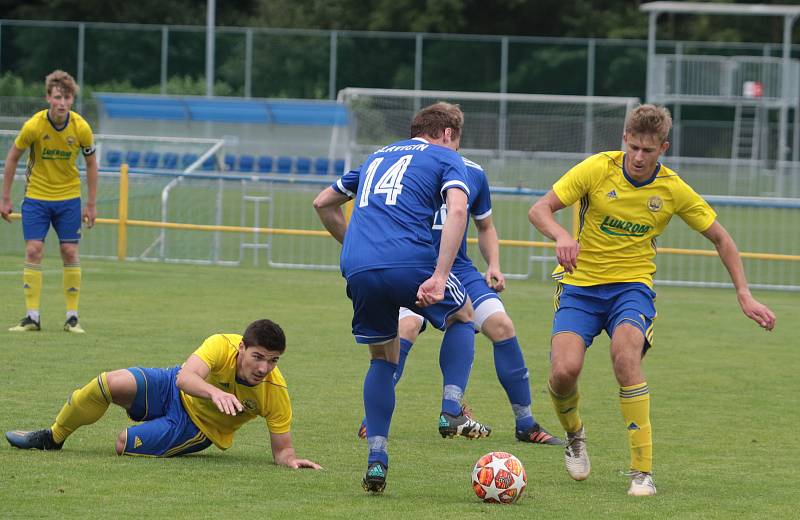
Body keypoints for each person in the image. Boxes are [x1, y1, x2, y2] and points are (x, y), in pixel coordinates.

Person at [528, 104, 776, 496]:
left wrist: (744, 294)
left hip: (632, 288)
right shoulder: (597, 168)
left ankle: (641, 472)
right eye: (635, 148)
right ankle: (575, 435)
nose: (640, 157)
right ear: (625, 139)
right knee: (563, 373)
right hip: (580, 287)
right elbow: (539, 208)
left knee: (626, 359)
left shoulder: (673, 189)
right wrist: (561, 235)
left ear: (664, 147)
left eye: (649, 150)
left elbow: (722, 239)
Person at [313, 102, 490, 493]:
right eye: (457, 140)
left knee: (383, 357)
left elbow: (323, 202)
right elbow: (458, 211)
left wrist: (354, 249)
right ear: (447, 134)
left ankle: (377, 459)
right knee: (464, 313)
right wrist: (441, 276)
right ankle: (451, 409)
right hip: (409, 261)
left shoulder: (376, 156)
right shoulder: (446, 156)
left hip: (359, 267)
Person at [352, 156, 561, 446]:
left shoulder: (473, 172)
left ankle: (526, 423)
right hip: (413, 266)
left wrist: (494, 265)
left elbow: (485, 226)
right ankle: (373, 419)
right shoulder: (409, 166)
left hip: (458, 269)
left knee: (502, 325)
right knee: (407, 327)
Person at [5, 319, 322, 469]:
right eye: (258, 357)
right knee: (106, 383)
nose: (264, 368)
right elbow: (185, 378)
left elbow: (283, 450)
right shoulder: (220, 344)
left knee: (122, 442)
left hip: (196, 428)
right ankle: (53, 437)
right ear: (242, 348)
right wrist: (214, 392)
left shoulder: (275, 391)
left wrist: (291, 461)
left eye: (273, 360)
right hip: (172, 385)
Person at [1, 69, 98, 334]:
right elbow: (12, 158)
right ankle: (32, 317)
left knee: (69, 252)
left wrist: (91, 204)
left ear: (72, 100)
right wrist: (5, 197)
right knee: (33, 250)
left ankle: (72, 318)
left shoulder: (81, 127)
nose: (63, 103)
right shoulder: (34, 125)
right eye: (58, 97)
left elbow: (91, 164)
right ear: (48, 98)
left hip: (68, 198)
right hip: (36, 197)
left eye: (67, 98)